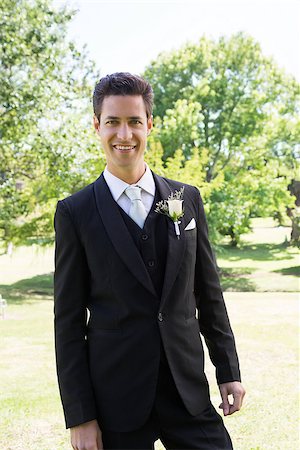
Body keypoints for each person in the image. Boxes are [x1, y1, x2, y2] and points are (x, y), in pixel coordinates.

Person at [54, 72, 245, 450]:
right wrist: (80, 415)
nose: (124, 135)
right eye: (113, 122)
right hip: (115, 403)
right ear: (97, 126)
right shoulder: (74, 212)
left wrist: (228, 371)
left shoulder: (186, 198)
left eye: (134, 122)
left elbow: (209, 294)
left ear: (149, 125)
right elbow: (68, 323)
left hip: (187, 394)